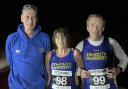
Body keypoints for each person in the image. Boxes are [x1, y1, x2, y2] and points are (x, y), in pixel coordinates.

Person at [76, 14, 128, 89]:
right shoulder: (81, 45)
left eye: (99, 25)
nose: (95, 28)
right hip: (88, 86)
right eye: (92, 25)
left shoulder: (111, 42)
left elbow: (124, 59)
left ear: (103, 28)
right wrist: (79, 72)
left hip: (109, 86)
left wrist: (119, 69)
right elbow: (71, 65)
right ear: (87, 28)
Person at [5, 4, 50, 89]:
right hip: (16, 86)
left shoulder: (45, 38)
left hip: (38, 86)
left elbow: (47, 61)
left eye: (33, 17)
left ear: (36, 19)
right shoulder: (11, 39)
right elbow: (10, 62)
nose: (30, 21)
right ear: (22, 18)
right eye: (27, 17)